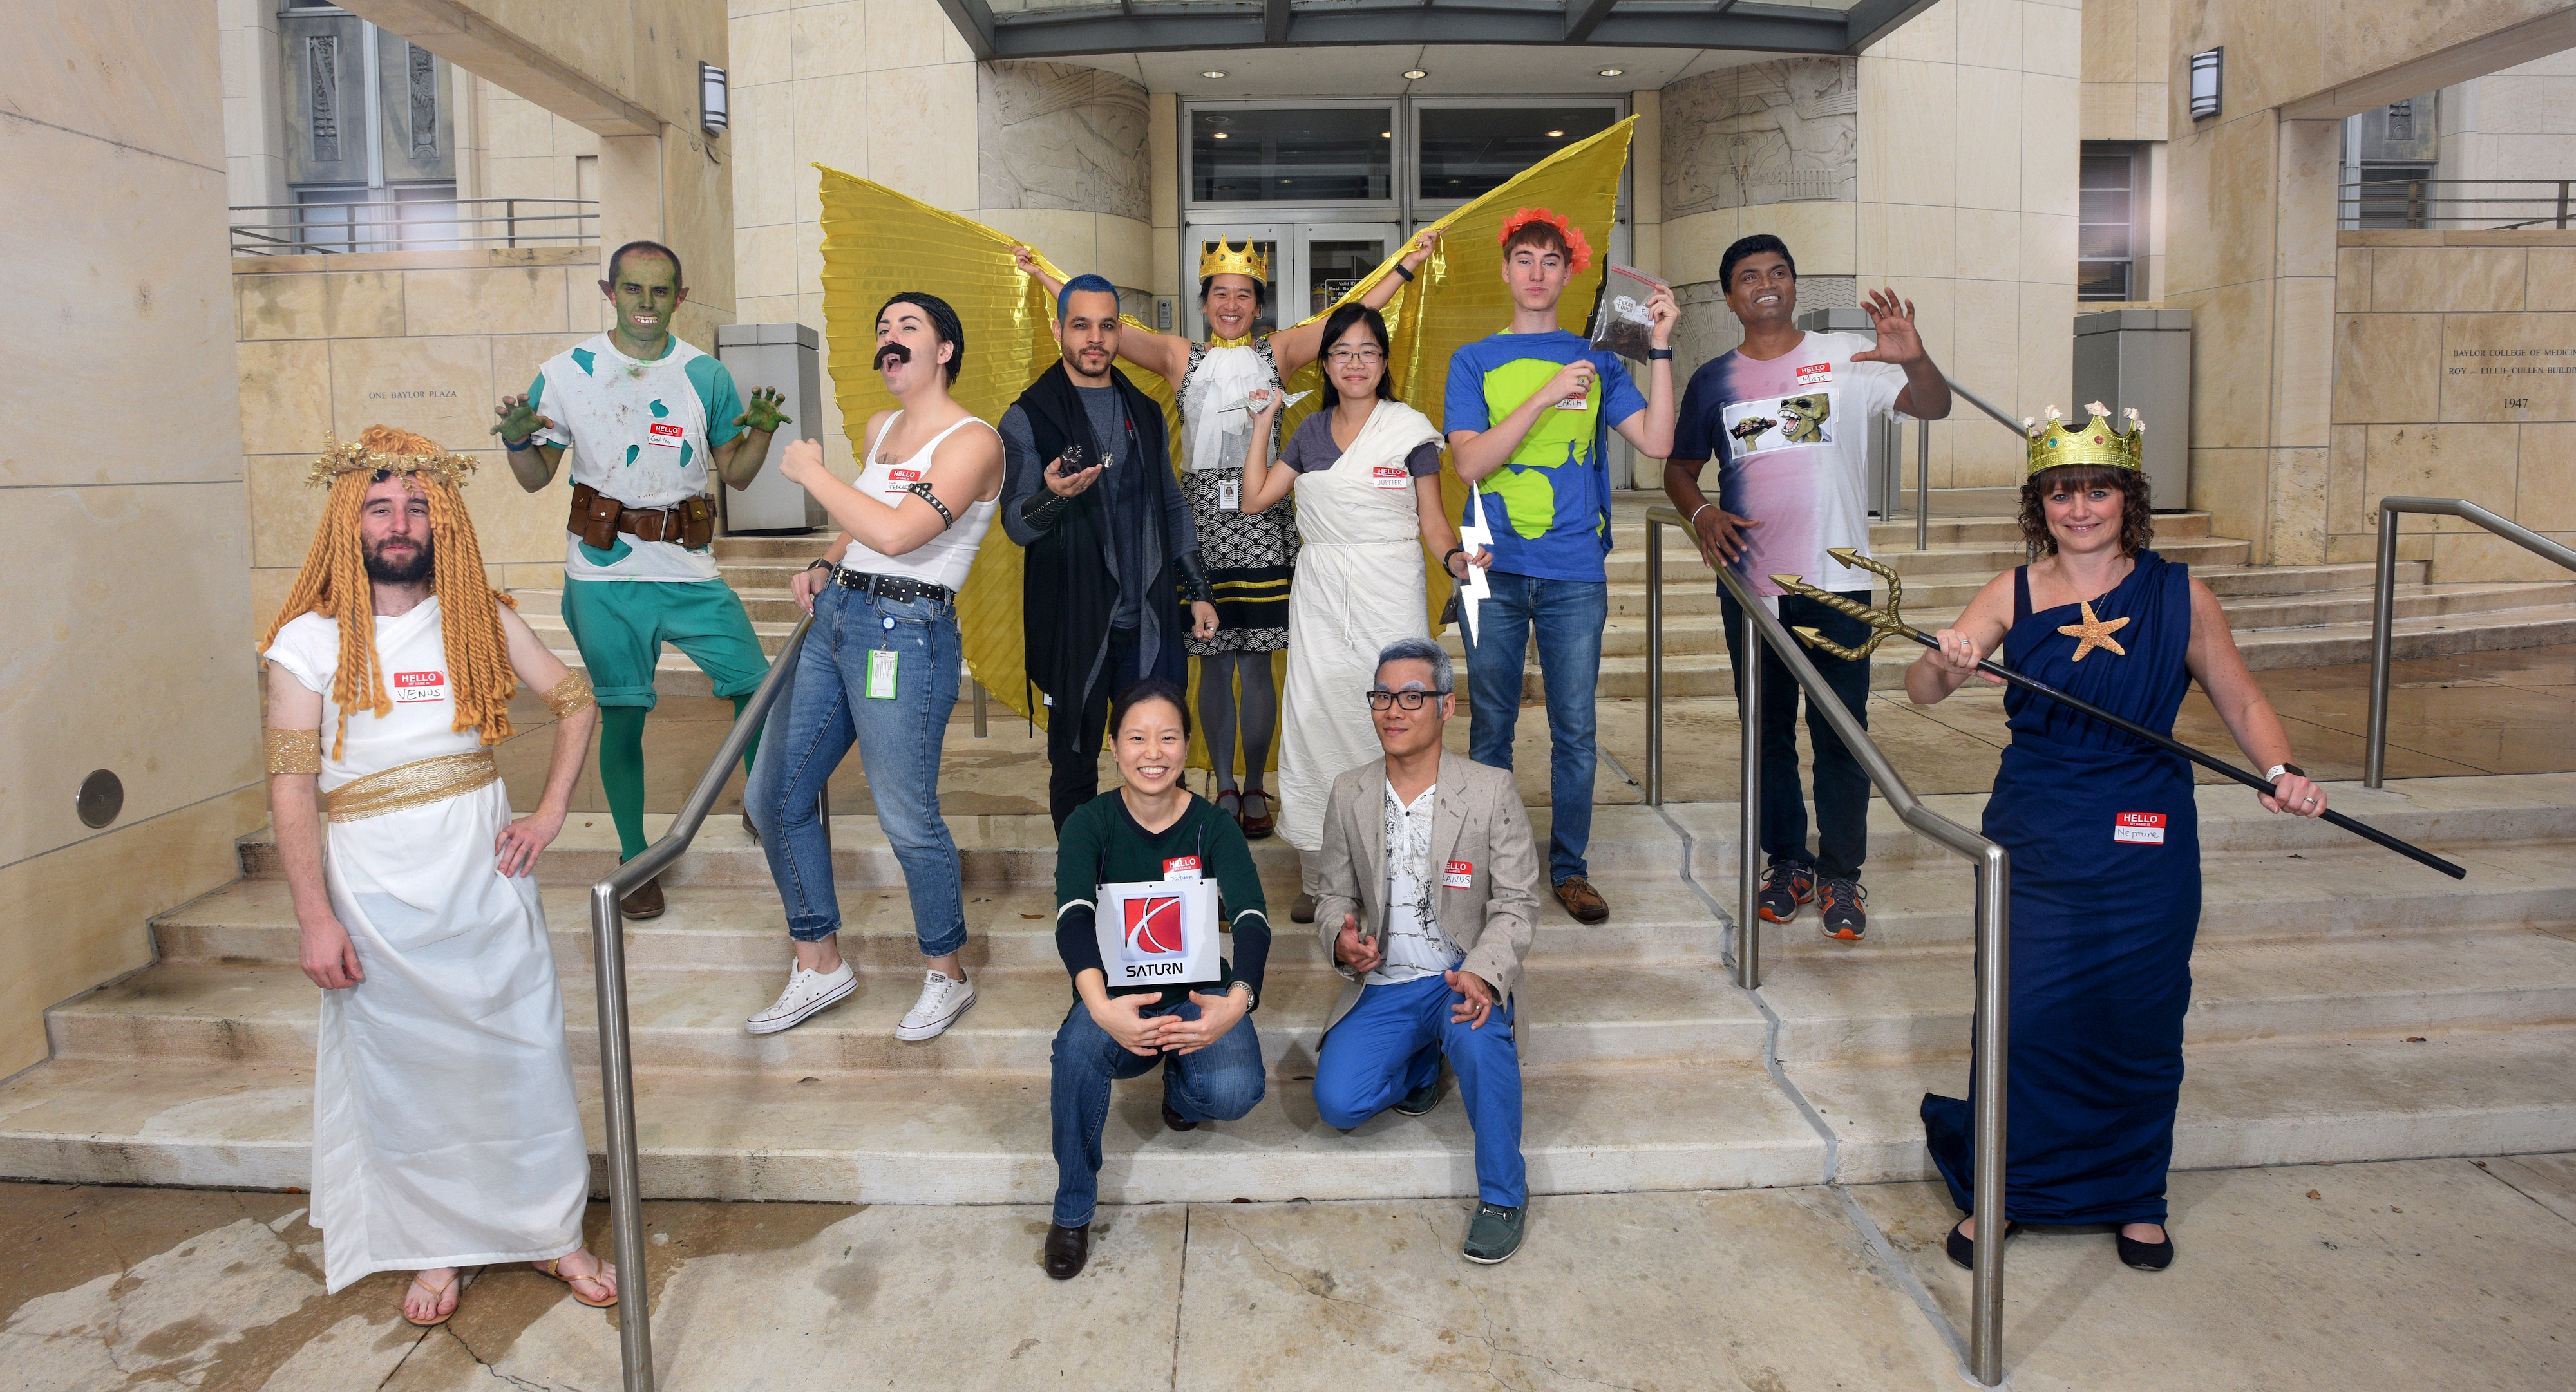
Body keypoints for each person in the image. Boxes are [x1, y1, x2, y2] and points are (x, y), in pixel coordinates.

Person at [1908, 406, 2330, 1274]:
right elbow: (1922, 689)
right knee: (2024, 1015)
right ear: (2041, 503)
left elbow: (2241, 699)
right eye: (2063, 491)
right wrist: (1948, 661)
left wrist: (2282, 767)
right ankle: (2007, 1188)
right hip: (2041, 830)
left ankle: (2136, 1195)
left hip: (2146, 835)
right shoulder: (2011, 592)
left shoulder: (2182, 595)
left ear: (2129, 496)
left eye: (2098, 488)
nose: (2082, 507)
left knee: (2137, 1018)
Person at [259, 426, 614, 1324]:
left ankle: (551, 1228)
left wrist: (548, 811)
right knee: (408, 1068)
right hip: (374, 887)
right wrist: (314, 916)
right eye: (380, 506)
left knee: (523, 1054)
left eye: (417, 504)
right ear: (350, 519)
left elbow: (576, 704)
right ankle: (435, 1243)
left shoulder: (477, 615)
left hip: (482, 868)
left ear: (442, 519)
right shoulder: (306, 640)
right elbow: (292, 787)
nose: (399, 521)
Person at [1018, 232, 1443, 838]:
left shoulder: (1280, 350)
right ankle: (1220, 783)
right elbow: (1099, 322)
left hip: (1264, 515)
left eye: (1244, 294)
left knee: (1258, 660)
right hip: (1198, 522)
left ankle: (1257, 785)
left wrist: (1405, 264)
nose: (1232, 304)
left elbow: (1357, 319)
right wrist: (1042, 274)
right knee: (1212, 662)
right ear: (1205, 299)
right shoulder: (1177, 355)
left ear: (1258, 302)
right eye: (1221, 293)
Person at [1663, 234, 1955, 942]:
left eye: (1777, 272)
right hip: (1752, 589)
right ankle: (1786, 862)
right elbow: (1680, 467)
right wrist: (1701, 512)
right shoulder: (1713, 380)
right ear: (1730, 296)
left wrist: (1912, 356)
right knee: (1765, 733)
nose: (1765, 284)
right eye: (1747, 276)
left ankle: (1840, 871)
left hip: (1837, 586)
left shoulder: (1848, 359)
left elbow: (1934, 405)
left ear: (1792, 284)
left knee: (1841, 731)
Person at [490, 238, 790, 920]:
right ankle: (635, 855)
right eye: (633, 289)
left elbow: (735, 473)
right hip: (603, 576)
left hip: (688, 567)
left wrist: (763, 433)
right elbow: (537, 478)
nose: (647, 304)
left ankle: (765, 807)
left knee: (757, 688)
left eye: (661, 291)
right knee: (624, 713)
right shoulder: (567, 373)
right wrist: (516, 440)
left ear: (679, 297)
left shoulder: (705, 374)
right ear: (610, 292)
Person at [738, 293, 1004, 1042]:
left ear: (944, 348)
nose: (890, 340)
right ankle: (818, 960)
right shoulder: (880, 428)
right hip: (838, 617)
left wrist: (809, 474)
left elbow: (895, 533)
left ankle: (946, 973)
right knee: (773, 794)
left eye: (907, 328)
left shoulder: (972, 441)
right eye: (882, 328)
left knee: (906, 818)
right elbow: (862, 523)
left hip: (905, 633)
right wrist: (826, 558)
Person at [1444, 207, 1676, 925]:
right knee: (1490, 729)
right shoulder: (1474, 359)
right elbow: (1470, 460)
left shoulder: (1601, 359)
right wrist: (1545, 395)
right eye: (1525, 259)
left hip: (1575, 568)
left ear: (1570, 271)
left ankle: (1569, 867)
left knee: (1575, 728)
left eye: (1551, 260)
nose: (1537, 272)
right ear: (1506, 270)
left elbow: (1659, 442)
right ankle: (1490, 865)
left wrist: (1661, 349)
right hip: (1492, 566)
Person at [1238, 303, 1490, 924]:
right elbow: (1253, 500)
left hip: (1390, 586)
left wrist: (1455, 558)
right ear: (1325, 364)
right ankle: (1324, 872)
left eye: (1368, 352)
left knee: (1395, 715)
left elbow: (1432, 521)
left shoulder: (1409, 430)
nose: (1355, 363)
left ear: (1383, 363)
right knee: (1316, 716)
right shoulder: (1309, 430)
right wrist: (1262, 423)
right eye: (1342, 352)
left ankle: (1398, 867)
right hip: (1321, 590)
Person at [1311, 637, 1544, 1264]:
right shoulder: (1350, 792)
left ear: (1445, 706)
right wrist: (1340, 933)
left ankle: (1502, 1193)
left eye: (1411, 695)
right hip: (1385, 982)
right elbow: (1331, 891)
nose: (1393, 709)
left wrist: (1483, 973)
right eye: (1382, 695)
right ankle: (1420, 1064)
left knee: (1475, 1033)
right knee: (1338, 1102)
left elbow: (1518, 903)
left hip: (1456, 977)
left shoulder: (1490, 790)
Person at [1041, 679, 1271, 1279]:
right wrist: (1099, 1006)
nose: (1153, 752)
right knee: (1075, 1055)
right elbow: (1072, 919)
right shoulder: (1089, 823)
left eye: (1168, 737)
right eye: (1137, 738)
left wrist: (1238, 1002)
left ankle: (1182, 1086)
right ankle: (1072, 1211)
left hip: (1197, 996)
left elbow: (1251, 918)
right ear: (1114, 749)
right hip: (1119, 1001)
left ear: (1187, 746)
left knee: (1236, 1090)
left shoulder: (1213, 826)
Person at [998, 272, 1222, 831]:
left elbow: (1171, 505)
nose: (1094, 338)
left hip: (1148, 616)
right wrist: (1051, 496)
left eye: (1106, 325)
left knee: (1161, 756)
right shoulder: (1028, 415)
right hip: (1074, 620)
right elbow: (1016, 526)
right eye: (1081, 326)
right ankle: (1081, 891)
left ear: (1120, 331)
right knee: (1073, 762)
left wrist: (1197, 592)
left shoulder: (1143, 410)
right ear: (1058, 330)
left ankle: (1173, 877)